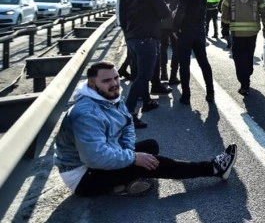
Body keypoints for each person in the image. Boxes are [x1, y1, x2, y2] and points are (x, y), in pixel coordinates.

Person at [53, 61, 237, 197]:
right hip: (84, 177)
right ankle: (213, 168)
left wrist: (129, 152)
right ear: (92, 84)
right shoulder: (85, 114)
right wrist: (133, 158)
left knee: (150, 146)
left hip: (97, 163)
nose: (115, 83)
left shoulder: (109, 97)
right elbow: (95, 158)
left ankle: (122, 185)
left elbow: (127, 125)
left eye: (116, 77)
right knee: (153, 162)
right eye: (107, 80)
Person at [120, 0, 171, 129]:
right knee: (144, 77)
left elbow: (123, 14)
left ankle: (145, 103)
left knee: (138, 75)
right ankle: (128, 114)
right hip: (147, 38)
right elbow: (164, 13)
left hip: (132, 38)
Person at [220, 0, 265, 96]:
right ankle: (247, 74)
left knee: (238, 57)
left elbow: (224, 9)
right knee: (248, 55)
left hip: (236, 33)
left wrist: (224, 25)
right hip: (252, 33)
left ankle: (243, 83)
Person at [173, 0, 216, 104]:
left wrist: (174, 28)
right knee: (203, 62)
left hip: (185, 32)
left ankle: (186, 95)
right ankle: (210, 92)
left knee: (184, 65)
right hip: (199, 32)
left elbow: (181, 11)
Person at [157, 0, 183, 85]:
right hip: (174, 24)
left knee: (162, 49)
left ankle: (163, 74)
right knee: (176, 50)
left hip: (160, 23)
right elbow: (181, 7)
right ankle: (173, 76)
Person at [116, 0, 136, 80]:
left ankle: (123, 70)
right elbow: (121, 8)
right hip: (125, 23)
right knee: (131, 49)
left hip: (128, 22)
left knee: (131, 49)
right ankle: (124, 70)